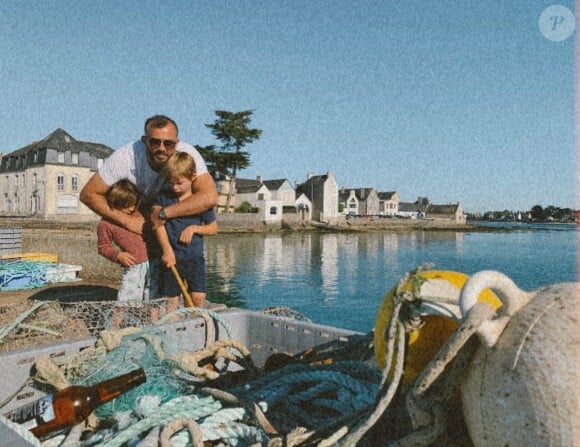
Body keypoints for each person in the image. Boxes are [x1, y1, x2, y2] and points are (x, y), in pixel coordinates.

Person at [80, 115, 218, 297]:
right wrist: (128, 221)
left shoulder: (187, 155)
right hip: (135, 209)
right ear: (145, 141)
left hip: (164, 209)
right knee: (139, 257)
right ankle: (135, 295)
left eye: (168, 144)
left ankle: (160, 295)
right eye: (155, 142)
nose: (161, 148)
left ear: (176, 144)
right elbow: (88, 194)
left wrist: (164, 214)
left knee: (174, 257)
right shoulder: (125, 156)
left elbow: (209, 196)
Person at [152, 151, 217, 309]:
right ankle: (172, 328)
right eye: (171, 182)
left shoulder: (199, 201)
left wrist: (194, 228)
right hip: (173, 259)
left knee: (198, 296)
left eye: (179, 183)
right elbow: (157, 224)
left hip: (195, 259)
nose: (174, 187)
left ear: (193, 177)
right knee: (172, 299)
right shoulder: (163, 198)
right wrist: (167, 251)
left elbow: (213, 228)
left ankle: (194, 325)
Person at [96, 180, 151, 328]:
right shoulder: (106, 223)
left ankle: (155, 326)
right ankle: (112, 330)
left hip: (153, 263)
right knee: (124, 300)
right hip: (134, 266)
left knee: (153, 300)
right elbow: (103, 247)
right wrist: (118, 256)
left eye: (134, 204)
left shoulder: (139, 213)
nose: (132, 208)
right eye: (127, 205)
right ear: (115, 203)